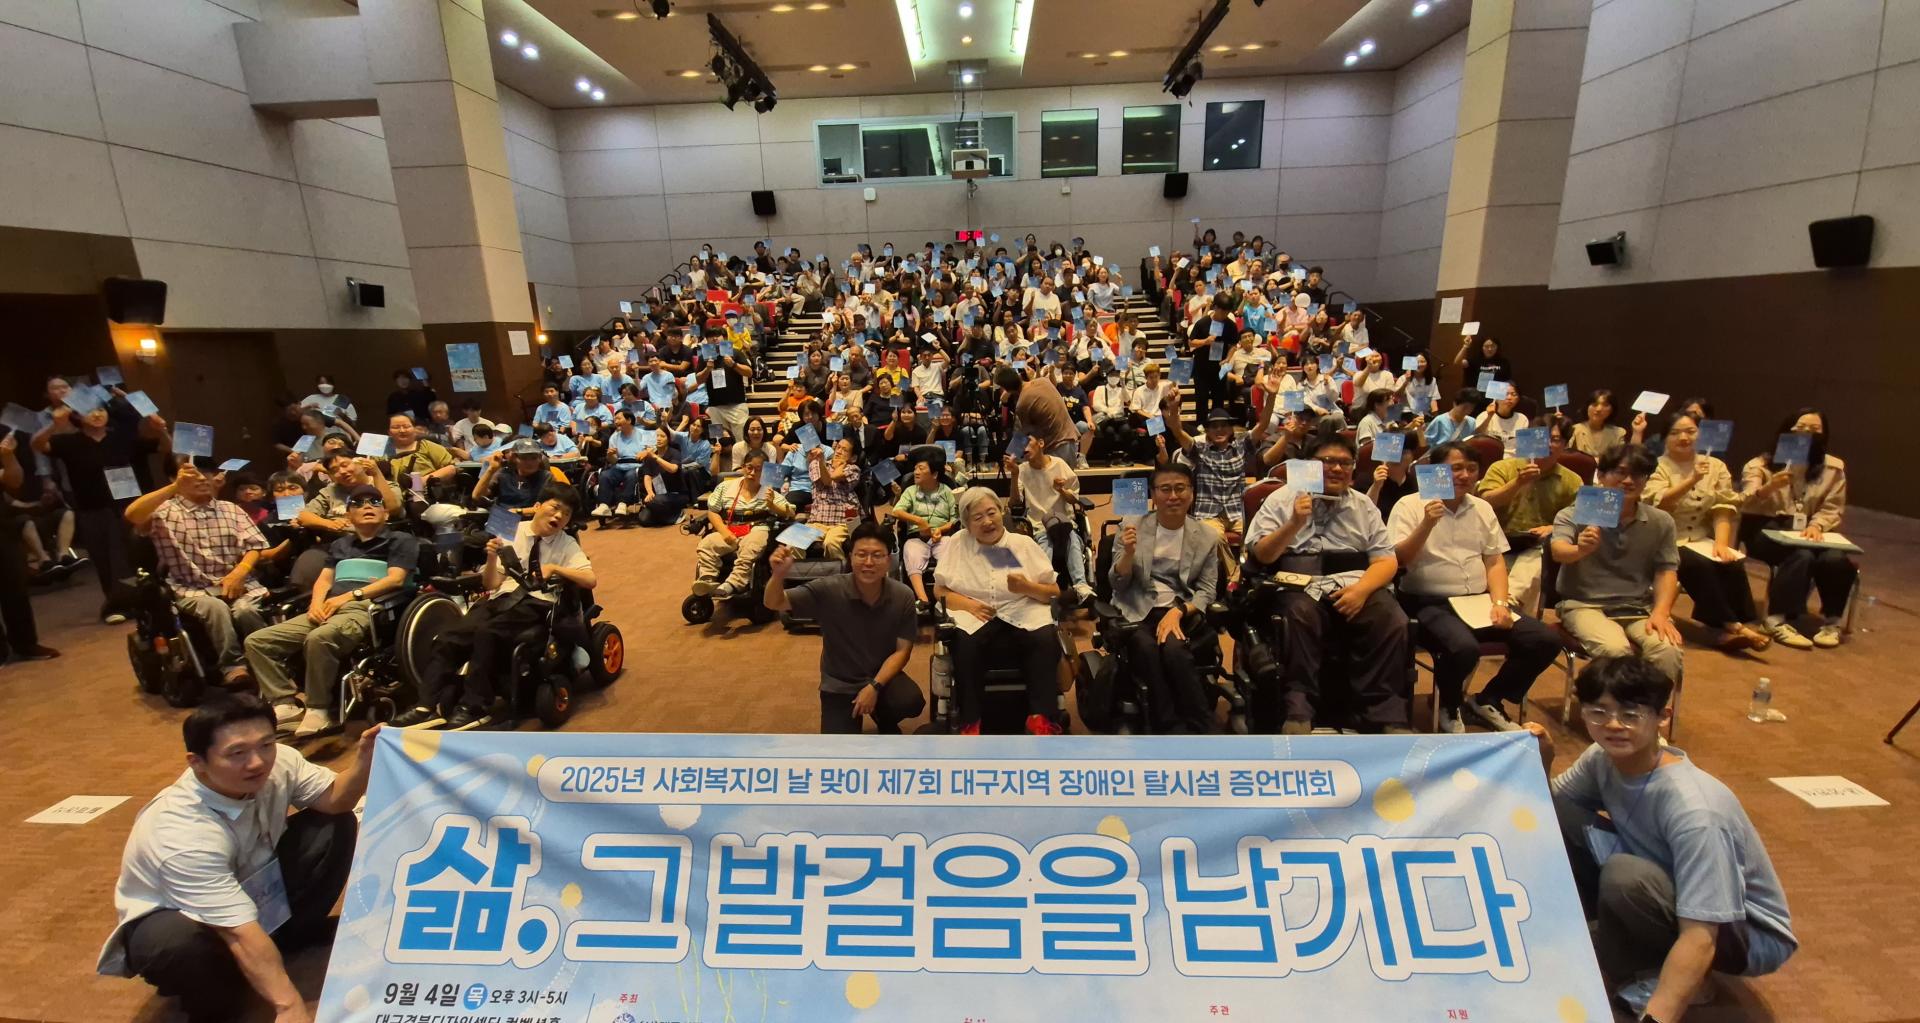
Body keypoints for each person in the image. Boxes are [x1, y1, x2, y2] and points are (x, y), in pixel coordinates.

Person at [1531, 658, 1796, 1019]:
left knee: (1624, 876)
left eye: (1631, 714)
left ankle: (1681, 979)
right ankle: (1618, 935)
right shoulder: (1602, 758)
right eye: (1599, 712)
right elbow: (1548, 812)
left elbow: (1701, 936)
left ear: (1662, 717)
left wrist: (1658, 1017)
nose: (1614, 725)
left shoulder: (1697, 811)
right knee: (1559, 815)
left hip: (1742, 933)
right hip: (1666, 882)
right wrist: (1543, 760)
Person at [98, 695, 373, 1023]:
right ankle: (214, 1000)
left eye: (266, 744)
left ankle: (289, 936)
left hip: (252, 885)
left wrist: (365, 761)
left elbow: (335, 798)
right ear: (197, 762)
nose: (257, 763)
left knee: (334, 822)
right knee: (179, 945)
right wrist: (288, 1006)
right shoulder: (179, 831)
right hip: (183, 916)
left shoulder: (280, 761)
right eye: (237, 753)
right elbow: (236, 929)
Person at [1387, 442, 1561, 733]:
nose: (1465, 475)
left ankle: (1489, 699)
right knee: (1462, 648)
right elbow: (1399, 559)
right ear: (1435, 471)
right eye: (1456, 468)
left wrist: (1500, 603)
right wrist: (1427, 524)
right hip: (1428, 600)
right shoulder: (1409, 505)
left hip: (1478, 601)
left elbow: (1494, 561)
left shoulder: (1481, 507)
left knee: (1545, 640)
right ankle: (1449, 704)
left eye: (1471, 469)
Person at [1245, 430, 1410, 734]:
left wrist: (1361, 591)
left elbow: (1386, 561)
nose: (1336, 468)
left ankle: (1384, 712)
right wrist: (1294, 523)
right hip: (1298, 584)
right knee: (1300, 614)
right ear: (1308, 464)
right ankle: (1298, 709)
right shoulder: (1281, 499)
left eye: (1344, 463)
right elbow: (1262, 554)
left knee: (1392, 619)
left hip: (1354, 583)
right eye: (1327, 461)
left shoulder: (1364, 505)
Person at [398, 487, 594, 730]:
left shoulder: (566, 543)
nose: (559, 516)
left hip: (537, 602)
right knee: (449, 637)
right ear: (537, 506)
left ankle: (474, 706)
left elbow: (589, 580)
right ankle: (426, 706)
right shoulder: (512, 533)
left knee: (487, 634)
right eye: (555, 508)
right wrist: (491, 558)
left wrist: (555, 568)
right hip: (501, 598)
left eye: (566, 514)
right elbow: (491, 584)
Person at [244, 485, 417, 736]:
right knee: (258, 641)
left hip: (367, 607)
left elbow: (396, 579)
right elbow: (324, 580)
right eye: (358, 503)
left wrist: (349, 596)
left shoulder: (401, 540)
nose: (367, 506)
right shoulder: (340, 545)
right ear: (348, 516)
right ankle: (284, 704)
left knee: (319, 638)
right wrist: (316, 604)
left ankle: (318, 709)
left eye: (374, 502)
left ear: (386, 513)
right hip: (329, 606)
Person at [764, 522, 925, 734]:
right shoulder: (829, 589)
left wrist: (874, 686)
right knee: (838, 747)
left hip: (881, 676)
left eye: (877, 555)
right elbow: (774, 602)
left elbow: (902, 651)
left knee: (909, 701)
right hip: (839, 682)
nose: (868, 562)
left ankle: (883, 714)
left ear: (889, 561)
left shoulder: (903, 595)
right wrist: (777, 576)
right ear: (850, 557)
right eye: (861, 555)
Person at [124, 458, 273, 686]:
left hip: (237, 582)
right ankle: (233, 667)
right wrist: (176, 487)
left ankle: (270, 659)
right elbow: (132, 514)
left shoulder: (231, 509)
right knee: (216, 609)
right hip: (192, 587)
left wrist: (241, 571)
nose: (202, 478)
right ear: (174, 477)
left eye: (207, 473)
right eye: (193, 474)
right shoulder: (163, 512)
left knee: (246, 611)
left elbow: (254, 546)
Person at [934, 487, 1064, 736]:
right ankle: (970, 720)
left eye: (991, 512)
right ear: (967, 524)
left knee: (1045, 638)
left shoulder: (1023, 544)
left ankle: (1041, 717)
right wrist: (968, 604)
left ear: (1002, 511)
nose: (987, 521)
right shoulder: (958, 543)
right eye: (977, 517)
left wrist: (1027, 587)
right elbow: (939, 590)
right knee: (963, 643)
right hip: (975, 612)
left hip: (1021, 608)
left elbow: (1054, 592)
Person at [1549, 444, 1685, 681]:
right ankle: (1612, 702)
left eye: (1638, 474)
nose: (1629, 481)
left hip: (1637, 607)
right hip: (1583, 604)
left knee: (1667, 649)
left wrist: (1661, 613)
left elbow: (1666, 570)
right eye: (1620, 472)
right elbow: (1558, 551)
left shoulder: (1661, 521)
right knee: (1615, 650)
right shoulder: (1573, 514)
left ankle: (1647, 703)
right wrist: (1580, 549)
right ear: (1601, 475)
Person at [1109, 462, 1221, 734]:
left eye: (1180, 488)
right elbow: (1117, 583)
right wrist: (1128, 554)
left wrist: (1180, 611)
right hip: (1136, 608)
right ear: (1153, 494)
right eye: (1165, 489)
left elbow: (1207, 590)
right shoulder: (1132, 526)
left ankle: (1202, 727)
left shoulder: (1207, 535)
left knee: (1174, 651)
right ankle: (1169, 725)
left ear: (1191, 493)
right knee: (1145, 649)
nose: (1173, 496)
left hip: (1179, 610)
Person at [1645, 412, 1770, 652]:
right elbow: (1660, 504)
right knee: (1695, 564)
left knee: (1730, 562)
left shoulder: (1716, 466)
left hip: (1699, 538)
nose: (1684, 438)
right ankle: (1731, 626)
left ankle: (1729, 625)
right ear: (1665, 438)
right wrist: (1692, 480)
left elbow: (1722, 508)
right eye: (1675, 433)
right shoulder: (1656, 465)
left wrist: (1721, 544)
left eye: (1690, 432)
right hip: (1665, 537)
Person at [1740, 407, 1853, 649]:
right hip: (1766, 527)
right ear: (1786, 430)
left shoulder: (1833, 468)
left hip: (1812, 530)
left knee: (1836, 559)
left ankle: (1832, 622)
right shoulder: (1760, 464)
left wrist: (1817, 525)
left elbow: (1833, 506)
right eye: (1801, 428)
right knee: (1801, 555)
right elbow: (1743, 501)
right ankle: (1775, 620)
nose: (1807, 434)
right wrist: (1769, 488)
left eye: (1815, 429)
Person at [1477, 414, 1582, 611]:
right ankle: (1508, 606)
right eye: (1542, 438)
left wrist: (1553, 528)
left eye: (1555, 439)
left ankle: (1509, 601)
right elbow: (1485, 502)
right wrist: (1517, 483)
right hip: (1497, 540)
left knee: (1536, 556)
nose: (1548, 444)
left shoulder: (1572, 480)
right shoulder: (1502, 468)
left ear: (1565, 445)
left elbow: (1577, 518)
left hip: (1537, 543)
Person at [692, 450, 793, 600]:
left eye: (758, 469)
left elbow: (789, 512)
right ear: (743, 467)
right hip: (729, 529)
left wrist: (771, 505)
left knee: (752, 546)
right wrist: (724, 532)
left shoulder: (769, 491)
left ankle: (733, 584)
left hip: (756, 529)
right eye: (749, 467)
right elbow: (712, 512)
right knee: (707, 544)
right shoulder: (725, 487)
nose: (752, 473)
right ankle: (707, 581)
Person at [1009, 433, 1093, 604]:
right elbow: (1015, 503)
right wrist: (1014, 475)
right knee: (1045, 539)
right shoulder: (1022, 470)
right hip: (1039, 525)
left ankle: (1081, 587)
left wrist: (1061, 490)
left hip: (1065, 523)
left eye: (1028, 442)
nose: (1024, 447)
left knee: (1071, 537)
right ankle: (1045, 587)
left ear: (1041, 443)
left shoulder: (1059, 464)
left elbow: (1074, 499)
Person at [0, 430, 57, 663]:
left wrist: (8, 456)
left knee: (15, 586)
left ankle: (25, 644)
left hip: (2, 526)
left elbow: (14, 480)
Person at [887, 452, 958, 610]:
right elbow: (896, 511)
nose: (916, 472)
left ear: (934, 474)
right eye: (915, 469)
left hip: (942, 536)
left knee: (949, 550)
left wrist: (939, 529)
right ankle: (923, 600)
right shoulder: (911, 491)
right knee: (911, 550)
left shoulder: (946, 491)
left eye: (921, 468)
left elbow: (954, 519)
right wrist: (919, 521)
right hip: (917, 537)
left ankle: (943, 598)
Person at [995, 366, 1081, 468]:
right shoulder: (1043, 381)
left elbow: (1025, 434)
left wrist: (1012, 456)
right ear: (1018, 376)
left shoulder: (1022, 403)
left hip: (1056, 447)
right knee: (1067, 478)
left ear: (1006, 389)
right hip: (1071, 441)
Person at [806, 436, 864, 558]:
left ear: (853, 458)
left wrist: (840, 465)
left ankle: (841, 570)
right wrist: (822, 461)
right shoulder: (816, 464)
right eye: (838, 447)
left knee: (831, 543)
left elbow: (832, 478)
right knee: (794, 544)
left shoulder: (853, 469)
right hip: (817, 521)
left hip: (842, 522)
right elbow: (826, 480)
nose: (838, 451)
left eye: (844, 450)